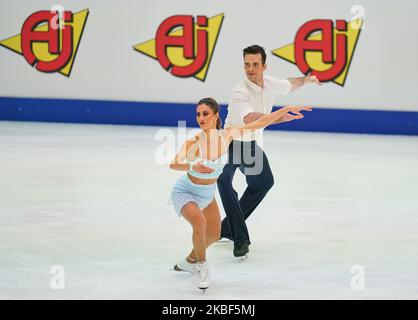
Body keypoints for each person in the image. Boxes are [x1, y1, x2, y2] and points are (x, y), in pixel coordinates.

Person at [169, 97, 312, 291]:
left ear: (216, 116)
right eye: (198, 114)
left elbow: (258, 123)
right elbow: (174, 163)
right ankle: (202, 266)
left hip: (207, 194)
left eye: (205, 114)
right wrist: (192, 164)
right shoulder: (193, 142)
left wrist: (284, 109)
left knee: (214, 234)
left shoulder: (227, 135)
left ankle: (190, 259)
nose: (201, 118)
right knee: (199, 223)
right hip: (186, 191)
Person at [218, 45, 322, 258]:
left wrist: (307, 79)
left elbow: (290, 84)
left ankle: (227, 227)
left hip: (249, 145)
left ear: (264, 66)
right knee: (225, 183)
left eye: (255, 64)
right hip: (230, 143)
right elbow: (250, 118)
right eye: (247, 64)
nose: (251, 69)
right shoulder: (240, 92)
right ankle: (240, 239)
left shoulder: (270, 84)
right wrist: (280, 115)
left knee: (263, 182)